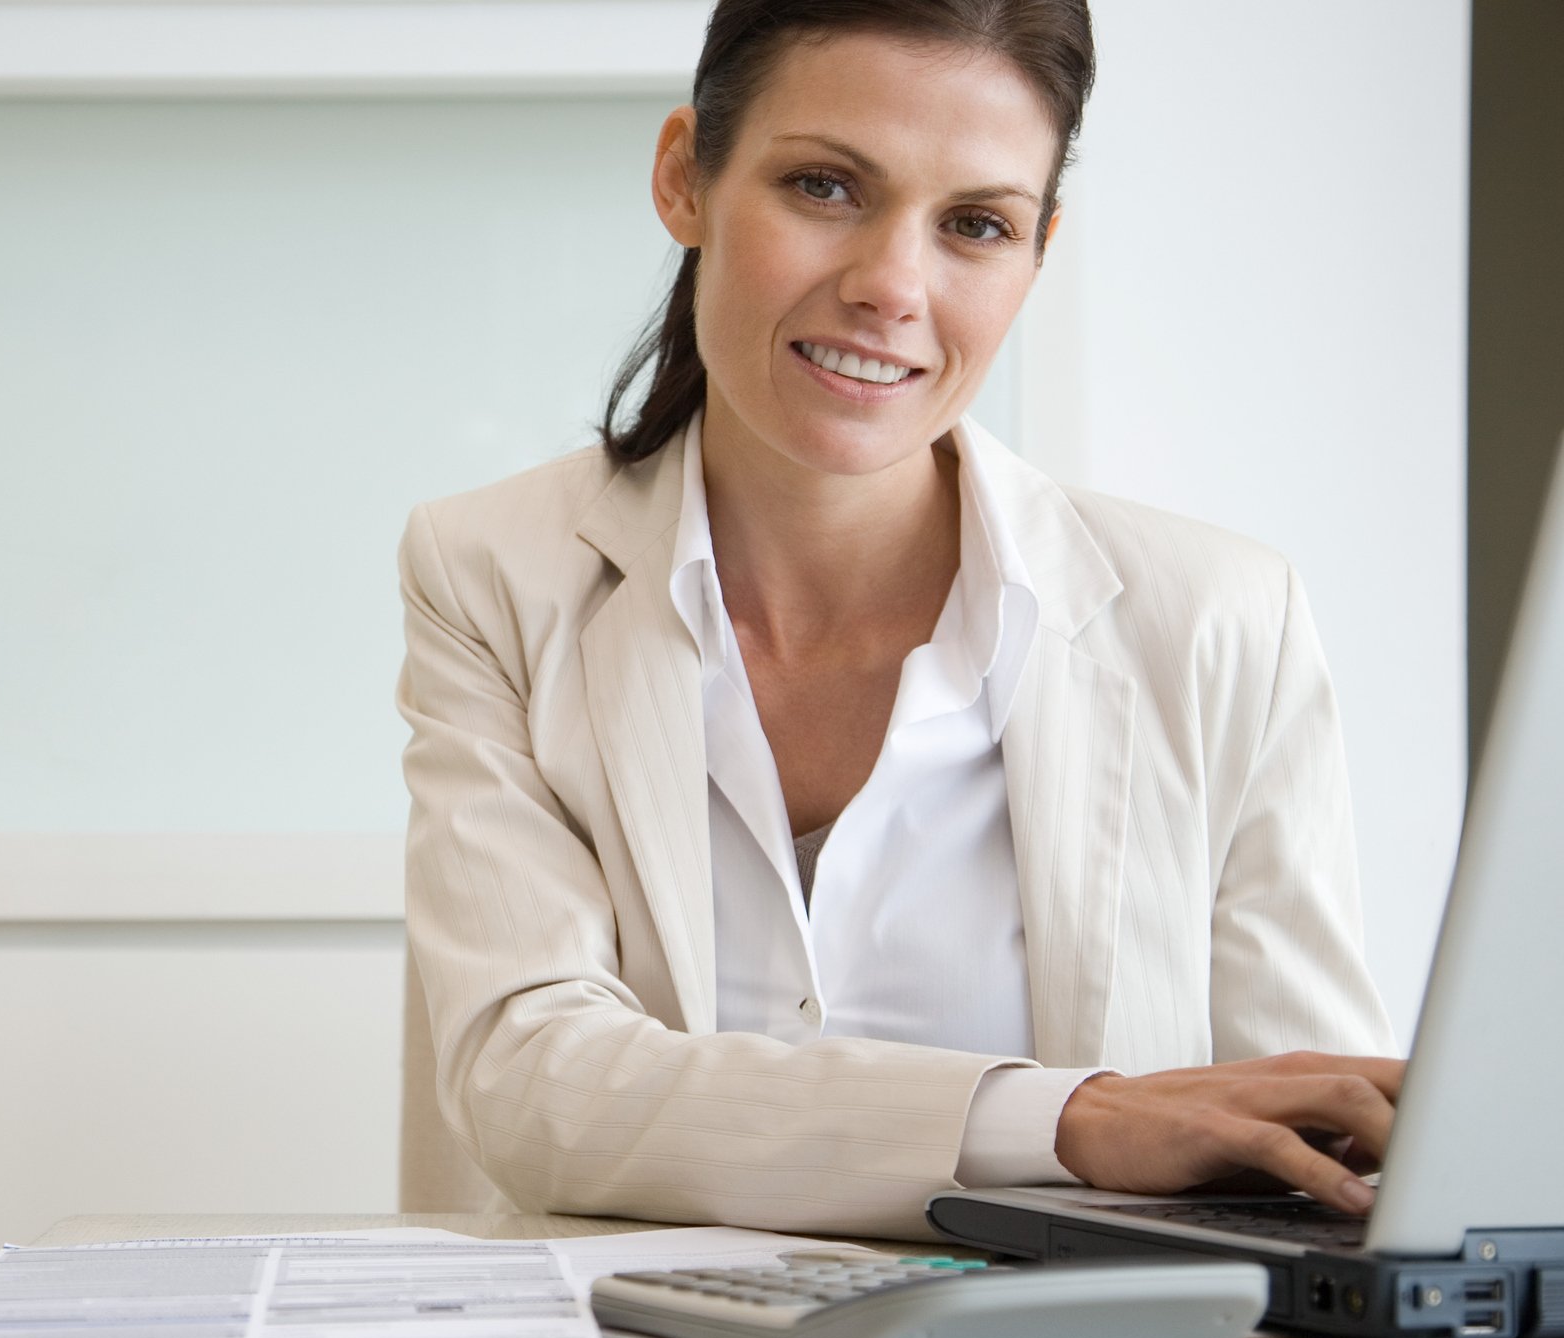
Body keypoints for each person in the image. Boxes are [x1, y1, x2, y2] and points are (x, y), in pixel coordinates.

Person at [394, 0, 1400, 1240]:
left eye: (975, 225)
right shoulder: (493, 572)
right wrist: (1065, 1118)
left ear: (1036, 252)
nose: (888, 286)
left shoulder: (1217, 619)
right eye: (823, 187)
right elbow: (533, 1084)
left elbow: (1315, 1142)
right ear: (683, 179)